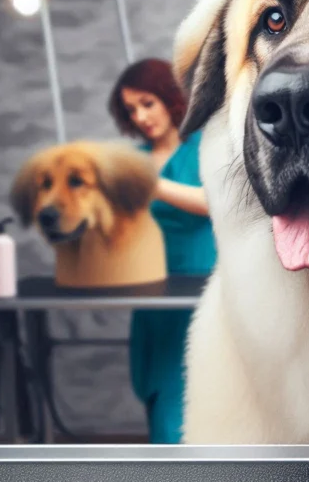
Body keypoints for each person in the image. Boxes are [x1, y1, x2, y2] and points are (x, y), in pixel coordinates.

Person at [107, 58, 217, 444]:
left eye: (147, 103)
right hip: (151, 290)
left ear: (170, 98)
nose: (140, 116)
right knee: (157, 393)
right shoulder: (132, 161)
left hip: (204, 289)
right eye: (131, 109)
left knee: (195, 392)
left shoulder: (207, 147)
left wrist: (151, 183)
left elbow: (213, 201)